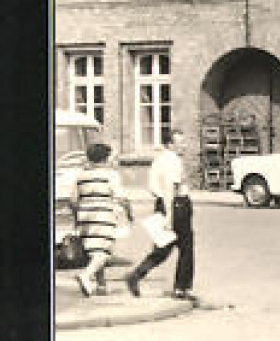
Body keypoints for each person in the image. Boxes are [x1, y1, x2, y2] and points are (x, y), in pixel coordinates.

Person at [126, 129, 195, 300]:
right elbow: (169, 189)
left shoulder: (158, 160)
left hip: (164, 205)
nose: (184, 146)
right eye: (180, 143)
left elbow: (152, 188)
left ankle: (136, 275)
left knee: (163, 248)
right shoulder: (173, 161)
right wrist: (170, 216)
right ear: (170, 144)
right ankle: (182, 288)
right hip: (176, 205)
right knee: (186, 249)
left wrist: (163, 209)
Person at [71, 141, 133, 298]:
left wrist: (77, 217)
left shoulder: (80, 176)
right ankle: (86, 275)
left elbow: (73, 201)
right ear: (105, 158)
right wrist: (129, 212)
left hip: (84, 217)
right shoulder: (111, 175)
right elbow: (121, 197)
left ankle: (101, 285)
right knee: (103, 252)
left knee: (94, 252)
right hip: (103, 216)